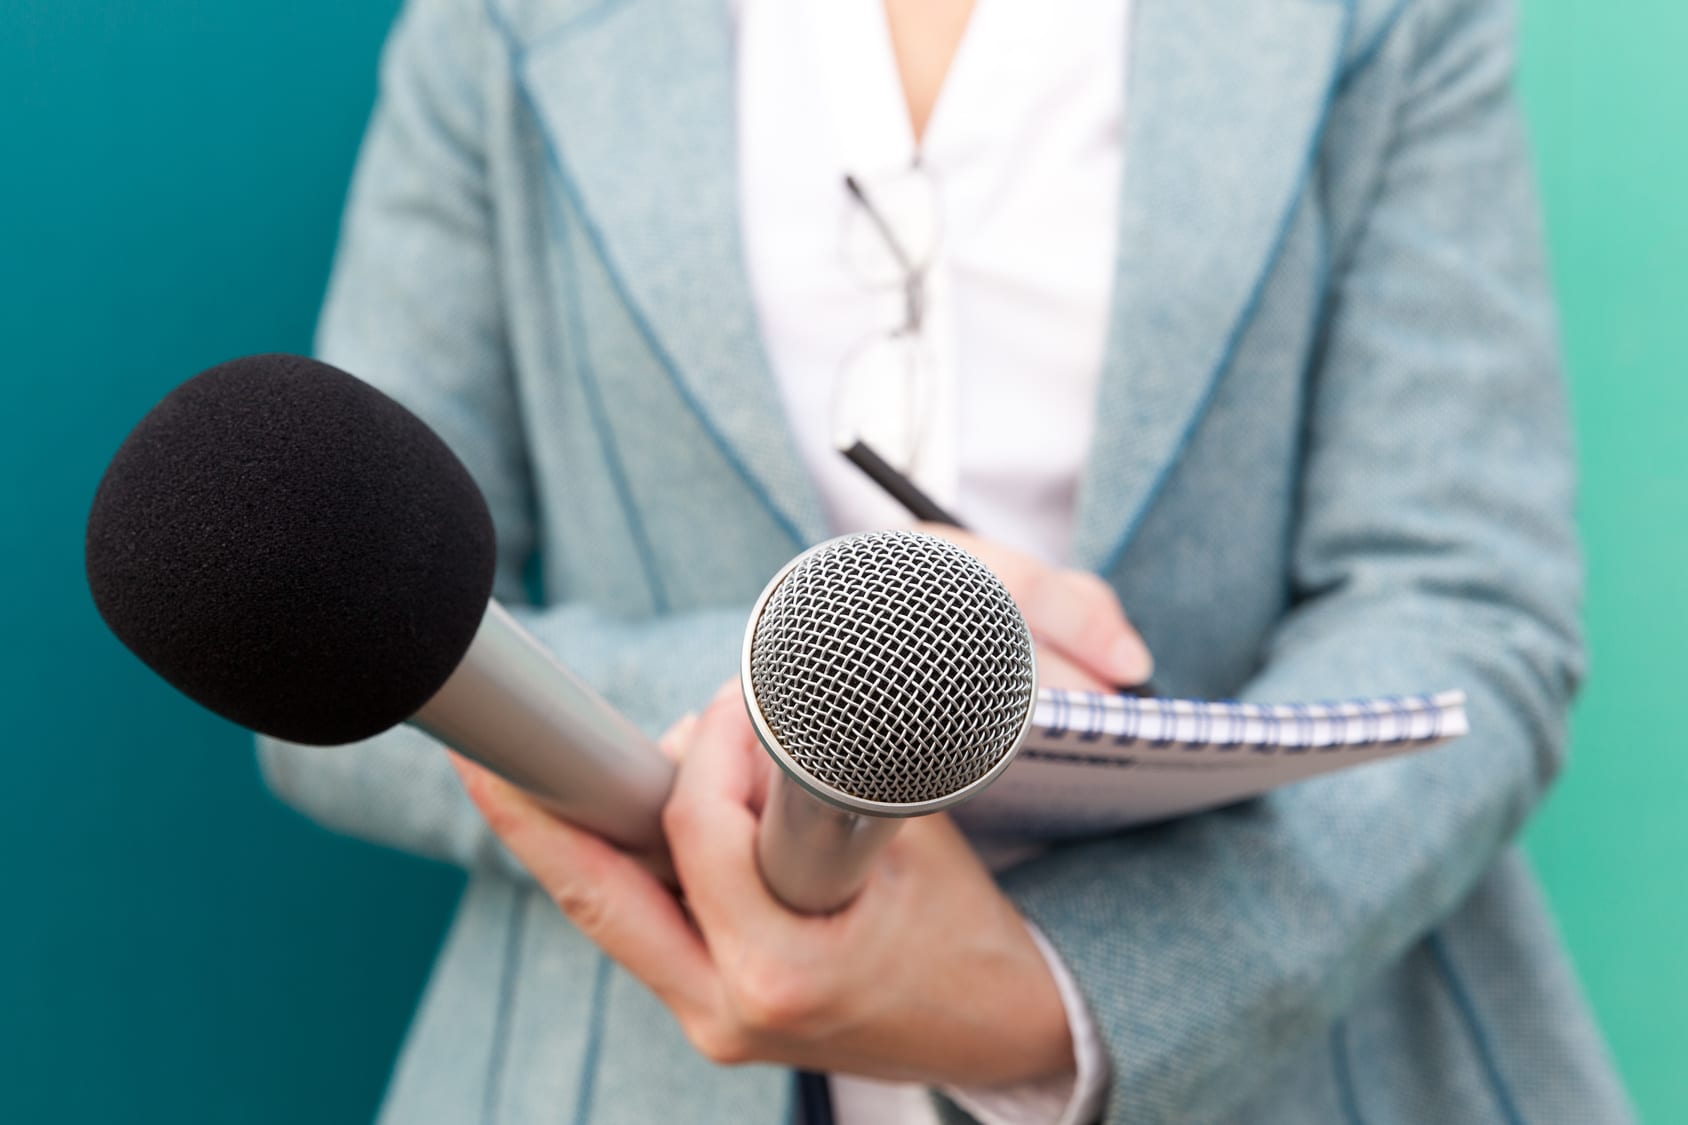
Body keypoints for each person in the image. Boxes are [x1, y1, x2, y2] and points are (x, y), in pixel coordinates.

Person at [257, 0, 1635, 1121]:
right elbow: (326, 633)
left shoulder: (1385, 20)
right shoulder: (497, 27)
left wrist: (1063, 997)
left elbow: (1465, 604)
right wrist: (821, 680)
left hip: (1276, 1060)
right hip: (620, 1065)